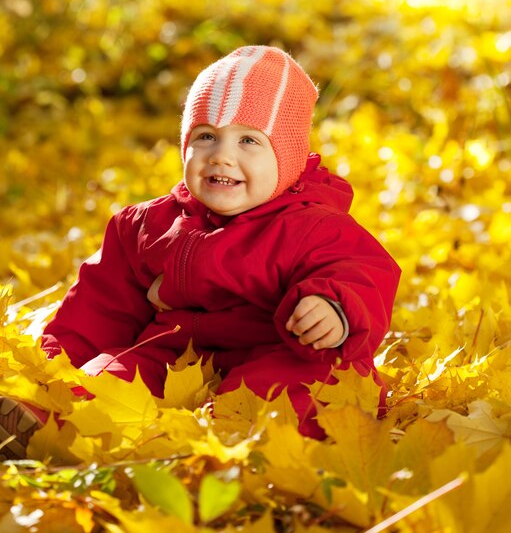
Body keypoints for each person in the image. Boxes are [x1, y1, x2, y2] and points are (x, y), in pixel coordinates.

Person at [2, 45, 400, 458]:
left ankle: (228, 449)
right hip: (171, 358)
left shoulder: (315, 225)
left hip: (280, 352)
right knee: (107, 376)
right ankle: (43, 427)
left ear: (290, 159)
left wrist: (333, 308)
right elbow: (98, 309)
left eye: (249, 140)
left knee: (299, 390)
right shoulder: (145, 226)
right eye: (205, 136)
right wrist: (52, 370)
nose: (222, 156)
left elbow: (362, 272)